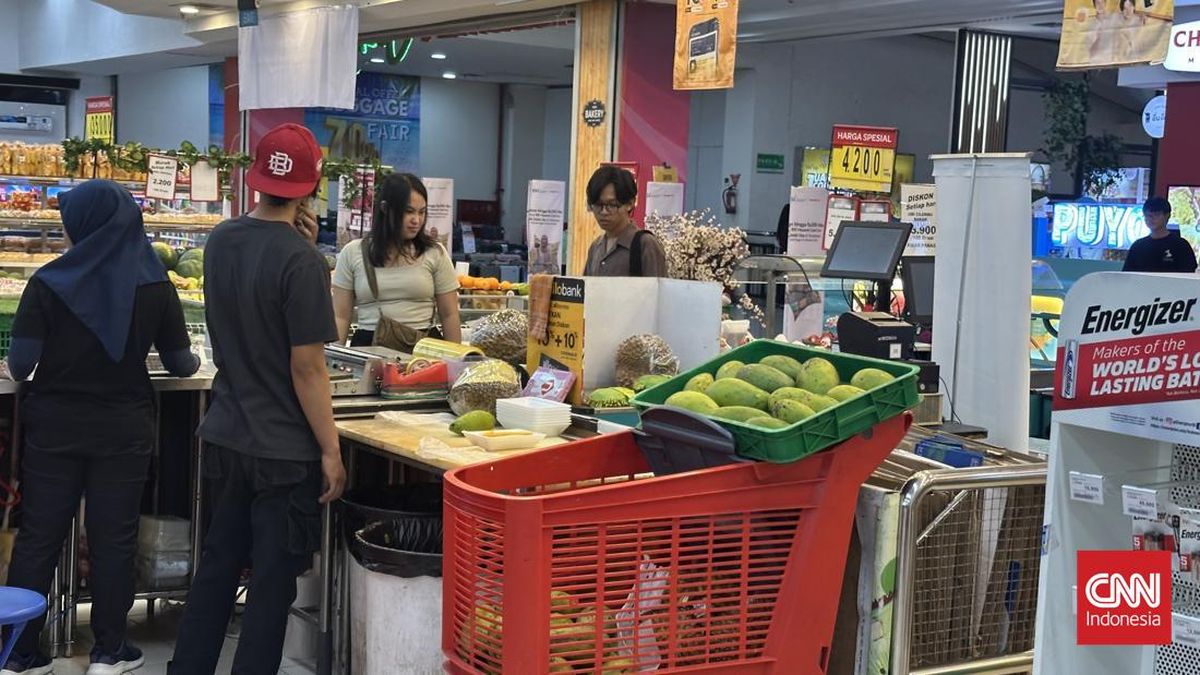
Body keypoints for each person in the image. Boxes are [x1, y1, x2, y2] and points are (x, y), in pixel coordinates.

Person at [1, 180, 199, 675]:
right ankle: (110, 651)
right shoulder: (155, 284)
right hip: (123, 430)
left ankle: (19, 652)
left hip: (55, 429)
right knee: (114, 538)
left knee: (39, 536)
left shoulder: (48, 282)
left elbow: (20, 364)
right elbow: (181, 363)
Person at [169, 124, 346, 675]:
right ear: (310, 188)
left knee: (217, 568)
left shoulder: (221, 240)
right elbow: (307, 368)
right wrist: (331, 449)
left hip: (226, 433)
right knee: (271, 584)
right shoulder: (302, 262)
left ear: (258, 179)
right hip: (284, 450)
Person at [332, 173, 461, 347]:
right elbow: (340, 316)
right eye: (408, 211)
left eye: (422, 212)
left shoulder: (435, 253)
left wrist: (457, 358)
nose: (416, 220)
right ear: (385, 209)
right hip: (369, 348)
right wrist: (334, 358)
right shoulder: (353, 253)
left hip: (422, 350)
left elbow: (450, 315)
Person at [582, 165, 668, 277]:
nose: (603, 212)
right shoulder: (596, 247)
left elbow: (657, 287)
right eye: (598, 205)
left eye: (611, 205)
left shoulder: (645, 244)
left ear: (629, 203)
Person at [1123, 197, 1197, 273]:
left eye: (1156, 214)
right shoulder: (1137, 246)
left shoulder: (1181, 245)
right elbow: (1127, 274)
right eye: (1147, 215)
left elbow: (1188, 274)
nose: (1151, 219)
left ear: (1167, 216)